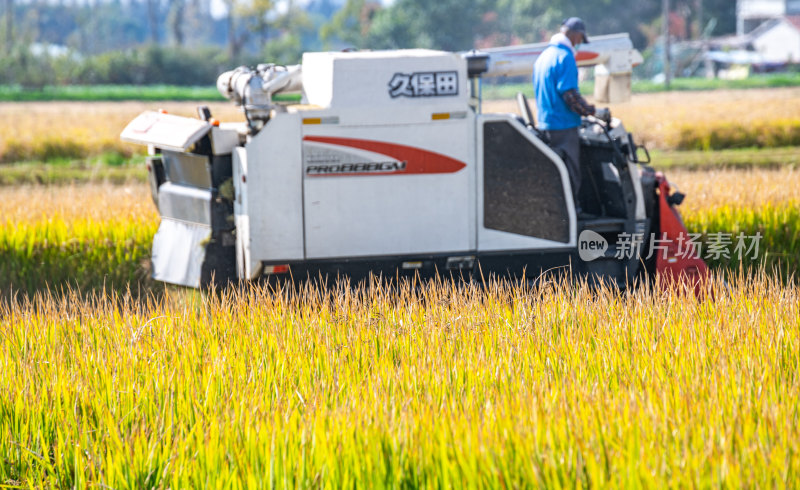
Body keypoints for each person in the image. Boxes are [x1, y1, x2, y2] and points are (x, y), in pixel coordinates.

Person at [533, 17, 609, 219]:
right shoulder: (565, 57)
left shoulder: (543, 57)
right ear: (574, 34)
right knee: (571, 171)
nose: (579, 43)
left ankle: (558, 213)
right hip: (564, 125)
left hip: (546, 123)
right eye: (579, 39)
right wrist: (592, 111)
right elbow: (570, 96)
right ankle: (572, 213)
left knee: (555, 170)